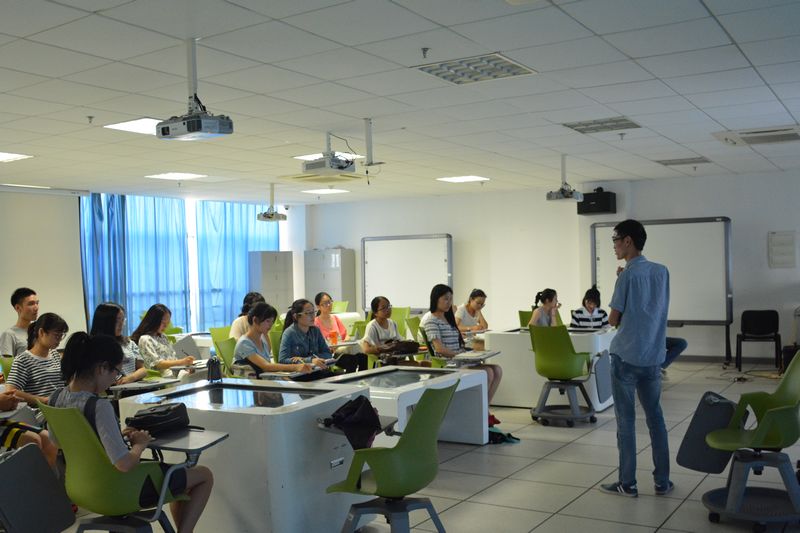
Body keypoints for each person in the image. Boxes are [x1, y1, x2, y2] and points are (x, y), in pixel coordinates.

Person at [50, 332, 213, 532]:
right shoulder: (99, 406)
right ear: (102, 368)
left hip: (81, 489)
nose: (115, 379)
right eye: (116, 372)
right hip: (119, 488)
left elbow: (58, 442)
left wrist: (111, 436)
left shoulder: (56, 398)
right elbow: (124, 464)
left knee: (179, 481)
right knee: (203, 475)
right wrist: (139, 445)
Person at [601, 219, 673, 498]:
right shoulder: (662, 271)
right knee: (656, 418)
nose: (614, 246)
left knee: (626, 421)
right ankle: (662, 481)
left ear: (628, 241)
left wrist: (620, 281)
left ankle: (627, 483)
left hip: (626, 357)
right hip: (653, 357)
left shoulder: (627, 276)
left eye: (615, 240)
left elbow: (613, 319)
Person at [422, 284, 503, 405]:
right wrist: (461, 355)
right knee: (488, 372)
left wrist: (470, 353)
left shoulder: (448, 319)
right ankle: (480, 410)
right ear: (435, 299)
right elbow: (440, 349)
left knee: (497, 369)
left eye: (451, 299)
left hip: (461, 359)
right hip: (450, 363)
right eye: (446, 299)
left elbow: (459, 343)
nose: (449, 302)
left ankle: (484, 409)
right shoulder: (431, 321)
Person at [234, 302, 313, 375]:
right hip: (252, 382)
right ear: (255, 320)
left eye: (272, 322)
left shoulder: (263, 338)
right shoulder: (244, 343)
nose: (271, 325)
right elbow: (265, 366)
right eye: (267, 321)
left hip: (263, 379)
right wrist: (295, 367)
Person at [6, 313, 68, 407]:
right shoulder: (23, 360)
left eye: (61, 335)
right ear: (41, 332)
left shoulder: (55, 355)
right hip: (43, 411)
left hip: (61, 407)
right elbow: (11, 392)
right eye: (56, 335)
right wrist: (43, 400)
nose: (59, 340)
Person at [90, 302, 148, 384]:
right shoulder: (93, 346)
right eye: (117, 320)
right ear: (105, 321)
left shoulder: (128, 342)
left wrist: (130, 378)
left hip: (133, 385)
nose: (121, 324)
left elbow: (143, 370)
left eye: (122, 320)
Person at [131, 304, 194, 378]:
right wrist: (181, 362)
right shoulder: (145, 339)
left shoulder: (163, 337)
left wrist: (185, 367)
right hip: (163, 376)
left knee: (198, 373)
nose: (165, 326)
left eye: (167, 323)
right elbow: (157, 364)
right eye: (163, 323)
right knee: (192, 378)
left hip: (175, 372)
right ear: (154, 321)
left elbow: (172, 358)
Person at [278, 299, 331, 368]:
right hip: (300, 373)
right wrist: (310, 360)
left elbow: (328, 354)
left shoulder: (315, 330)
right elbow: (282, 360)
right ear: (296, 316)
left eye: (313, 312)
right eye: (308, 313)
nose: (313, 316)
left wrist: (311, 359)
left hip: (318, 370)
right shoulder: (289, 333)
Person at [0, 287, 39, 358]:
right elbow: (6, 364)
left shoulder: (39, 331)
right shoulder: (9, 335)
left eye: (37, 303)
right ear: (18, 308)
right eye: (31, 304)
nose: (36, 308)